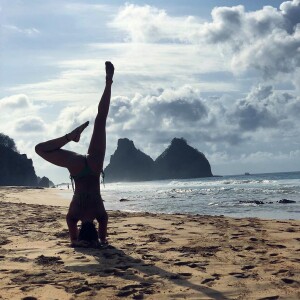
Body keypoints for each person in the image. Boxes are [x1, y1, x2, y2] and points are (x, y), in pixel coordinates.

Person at [35, 61, 114, 247]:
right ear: (80, 230)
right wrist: (78, 241)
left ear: (93, 230)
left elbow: (103, 241)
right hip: (77, 168)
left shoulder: (100, 215)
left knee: (100, 120)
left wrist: (99, 241)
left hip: (94, 167)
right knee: (40, 149)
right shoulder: (73, 217)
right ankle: (69, 137)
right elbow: (74, 241)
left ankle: (109, 82)